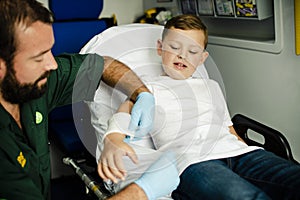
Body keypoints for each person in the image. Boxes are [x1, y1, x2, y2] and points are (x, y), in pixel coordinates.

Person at [95, 14, 300, 200]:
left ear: (202, 58)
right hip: (192, 162)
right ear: (160, 48)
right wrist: (112, 139)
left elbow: (228, 129)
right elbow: (125, 110)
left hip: (241, 154)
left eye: (192, 50)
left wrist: (245, 149)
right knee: (244, 196)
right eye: (174, 48)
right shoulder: (148, 87)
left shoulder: (211, 86)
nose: (182, 55)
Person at [0, 0, 179, 199]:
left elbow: (103, 65)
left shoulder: (36, 83)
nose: (52, 64)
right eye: (39, 57)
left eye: (50, 50)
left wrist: (142, 93)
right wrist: (143, 191)